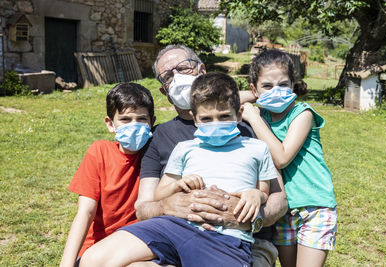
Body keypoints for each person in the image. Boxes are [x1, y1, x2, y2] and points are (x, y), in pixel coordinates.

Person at [80, 72, 278, 267]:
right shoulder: (185, 148)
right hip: (174, 226)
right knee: (94, 260)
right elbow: (159, 194)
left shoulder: (256, 148)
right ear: (195, 118)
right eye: (207, 119)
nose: (215, 124)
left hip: (225, 237)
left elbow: (265, 193)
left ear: (239, 114)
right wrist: (178, 185)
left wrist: (256, 196)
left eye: (224, 116)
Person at [241, 49, 337, 267]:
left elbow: (282, 157)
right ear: (254, 89)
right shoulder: (263, 112)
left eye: (283, 85)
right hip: (284, 209)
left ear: (293, 85)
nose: (276, 91)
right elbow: (225, 98)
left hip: (315, 206)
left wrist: (255, 119)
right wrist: (255, 96)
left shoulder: (303, 113)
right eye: (267, 86)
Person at [59, 83, 155, 267]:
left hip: (138, 244)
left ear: (152, 121)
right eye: (125, 119)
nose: (134, 125)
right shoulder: (99, 152)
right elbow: (86, 212)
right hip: (97, 248)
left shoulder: (155, 152)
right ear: (110, 124)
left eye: (142, 119)